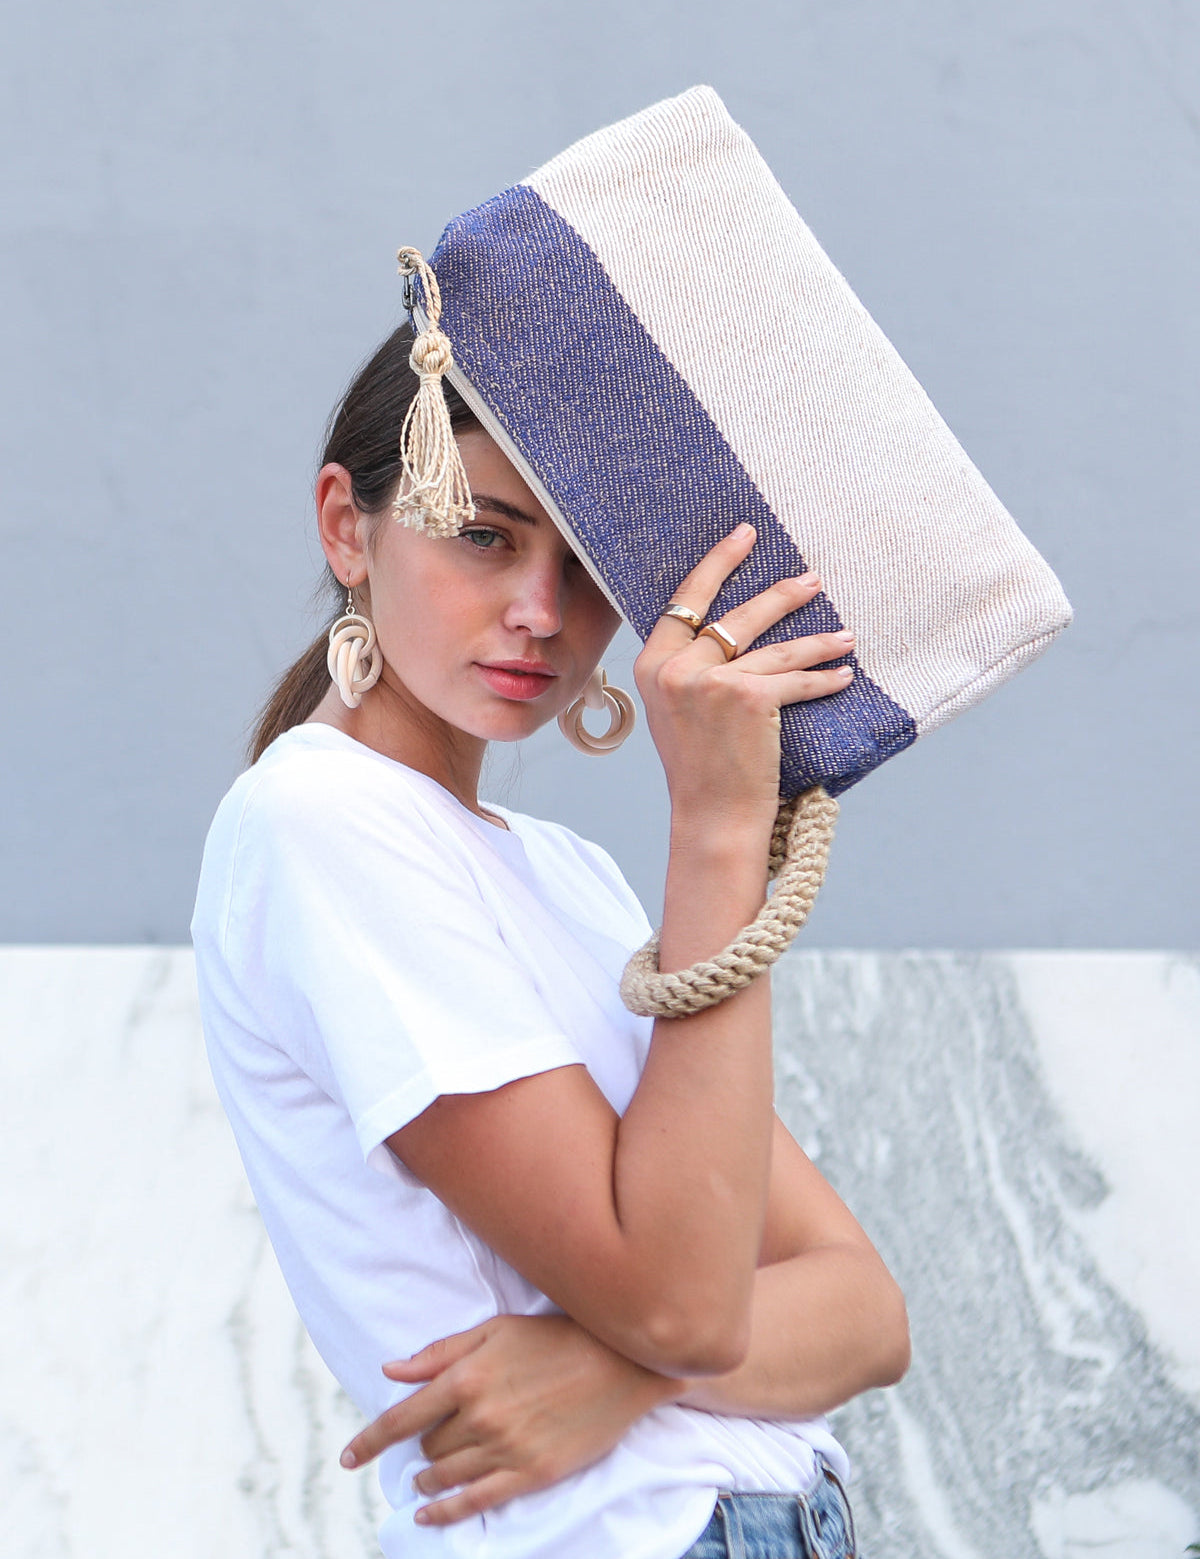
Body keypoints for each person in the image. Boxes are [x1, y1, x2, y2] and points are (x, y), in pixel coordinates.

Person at [192, 321, 910, 1559]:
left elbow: (863, 1309)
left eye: (586, 563)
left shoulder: (567, 874)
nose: (540, 611)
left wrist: (608, 1369)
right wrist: (722, 822)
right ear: (345, 526)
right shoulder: (319, 818)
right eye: (483, 535)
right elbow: (689, 1304)